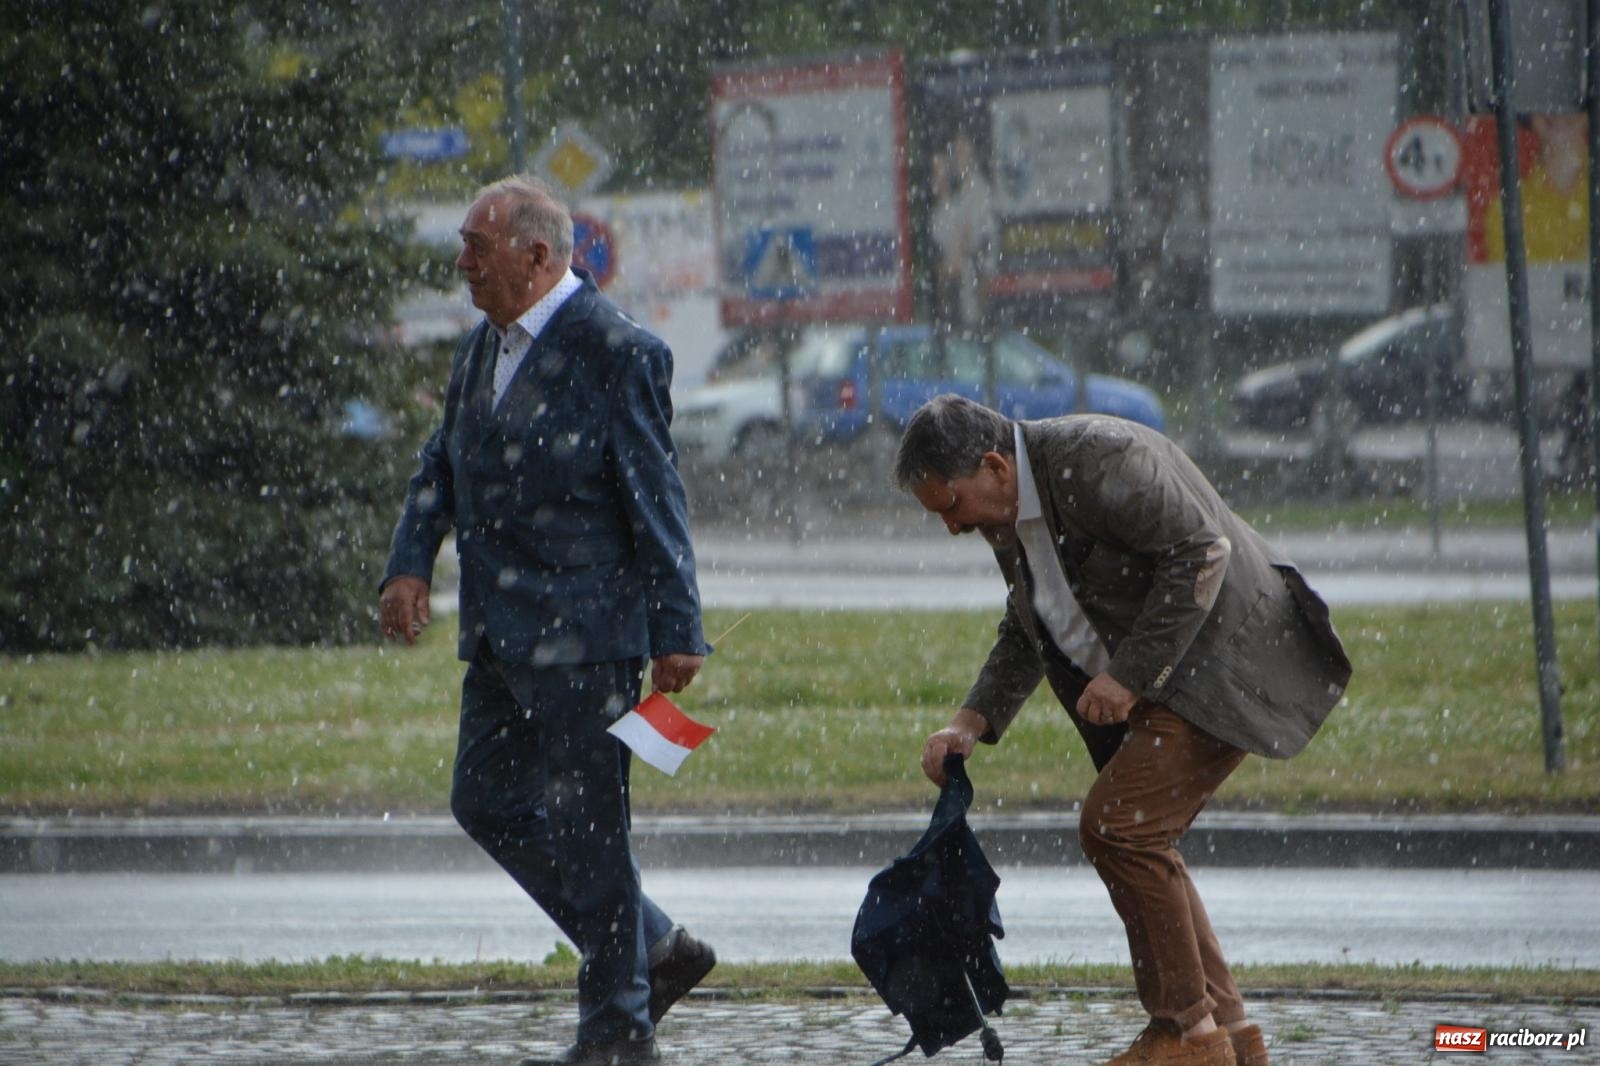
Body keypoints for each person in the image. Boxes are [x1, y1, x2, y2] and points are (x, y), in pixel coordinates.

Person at [894, 395, 1351, 1066]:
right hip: (1173, 681)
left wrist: (1130, 676)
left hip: (1227, 668)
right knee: (1141, 838)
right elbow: (1031, 623)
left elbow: (1201, 550)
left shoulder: (1098, 459)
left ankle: (1186, 1034)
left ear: (993, 466)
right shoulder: (1009, 512)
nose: (953, 527)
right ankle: (1230, 1034)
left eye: (951, 506)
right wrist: (969, 720)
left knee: (1120, 827)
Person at [379, 175, 715, 1066]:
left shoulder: (618, 351)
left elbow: (657, 496)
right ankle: (651, 946)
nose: (462, 265)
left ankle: (618, 1027)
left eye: (475, 248)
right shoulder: (477, 349)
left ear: (536, 255)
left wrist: (677, 627)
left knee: (588, 827)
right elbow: (438, 466)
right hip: (497, 634)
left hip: (587, 634)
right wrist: (410, 562)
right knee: (482, 799)